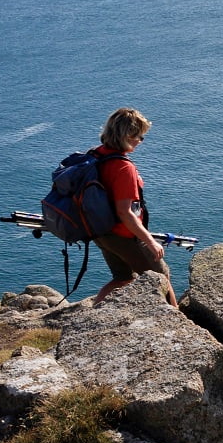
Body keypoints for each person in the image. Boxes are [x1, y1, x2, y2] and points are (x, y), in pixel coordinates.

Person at [91, 108, 178, 307]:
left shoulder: (97, 154)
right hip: (124, 235)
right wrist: (150, 241)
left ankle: (94, 312)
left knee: (122, 277)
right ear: (126, 136)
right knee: (162, 276)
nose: (140, 140)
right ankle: (178, 320)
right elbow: (125, 212)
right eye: (138, 136)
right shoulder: (124, 168)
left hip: (101, 232)